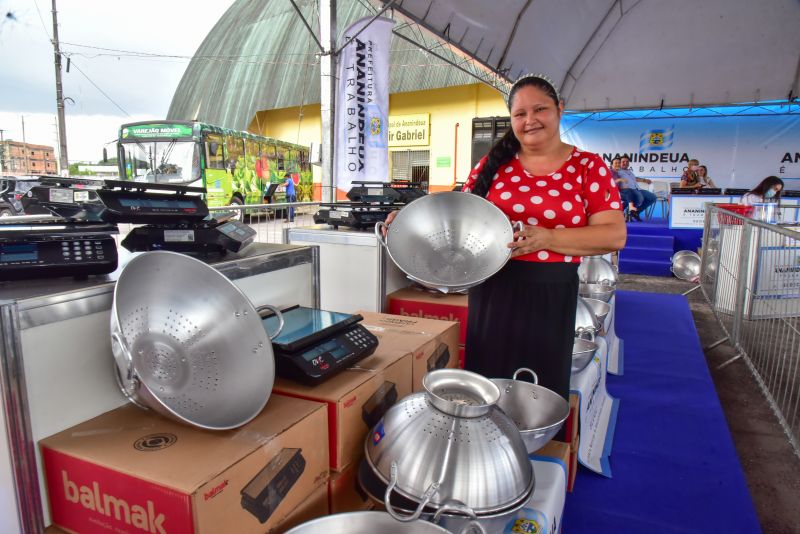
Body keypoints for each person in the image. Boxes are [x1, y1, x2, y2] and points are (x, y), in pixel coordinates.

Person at [386, 74, 626, 402]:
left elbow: (614, 235)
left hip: (551, 295)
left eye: (539, 109)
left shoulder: (587, 166)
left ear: (559, 110)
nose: (530, 121)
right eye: (520, 114)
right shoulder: (494, 165)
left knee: (538, 385)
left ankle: (531, 439)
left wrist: (548, 239)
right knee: (488, 381)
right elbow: (456, 216)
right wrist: (410, 221)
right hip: (494, 293)